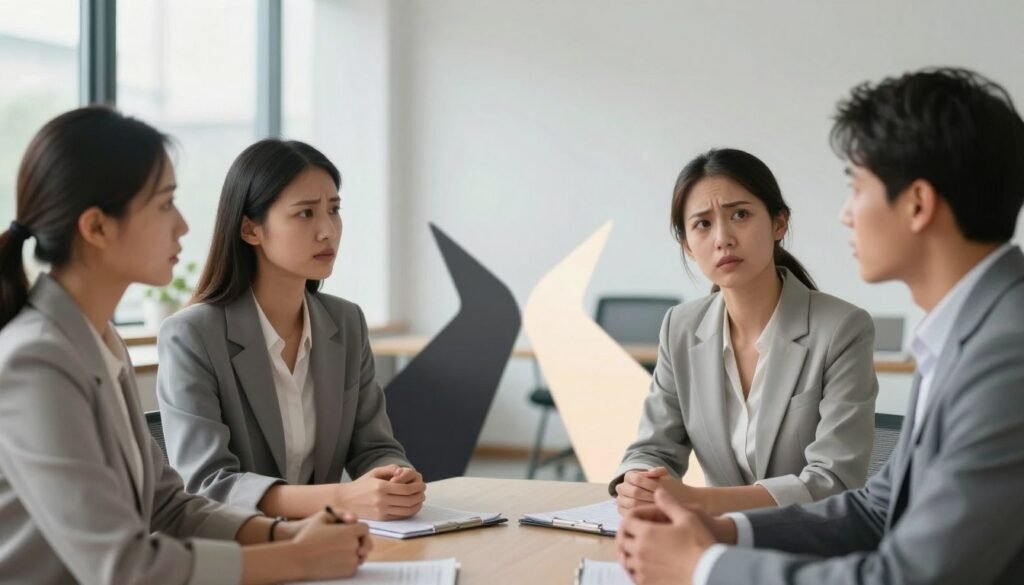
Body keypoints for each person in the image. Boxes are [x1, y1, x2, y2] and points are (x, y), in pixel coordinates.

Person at [616, 67, 1024, 585]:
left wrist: (705, 567)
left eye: (857, 188)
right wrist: (724, 532)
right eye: (702, 225)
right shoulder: (962, 334)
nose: (845, 215)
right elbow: (878, 510)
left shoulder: (1006, 355)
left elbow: (911, 577)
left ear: (917, 203)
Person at [0, 106, 371, 584]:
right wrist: (298, 558)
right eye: (163, 204)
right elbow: (123, 567)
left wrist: (284, 536)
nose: (183, 226)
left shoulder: (98, 340)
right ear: (96, 228)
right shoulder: (35, 362)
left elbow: (168, 507)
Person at [157, 138, 426, 521]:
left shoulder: (346, 323)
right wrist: (342, 498)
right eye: (305, 214)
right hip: (245, 554)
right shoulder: (192, 335)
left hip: (329, 545)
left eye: (334, 210)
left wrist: (395, 477)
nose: (327, 231)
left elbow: (373, 447)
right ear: (251, 229)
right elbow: (209, 484)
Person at [612, 147, 877, 516]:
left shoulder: (842, 328)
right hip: (712, 542)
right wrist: (637, 482)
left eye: (740, 214)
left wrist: (697, 500)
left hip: (807, 545)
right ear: (688, 246)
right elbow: (652, 449)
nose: (723, 238)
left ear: (778, 223)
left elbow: (833, 480)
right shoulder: (680, 327)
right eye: (703, 224)